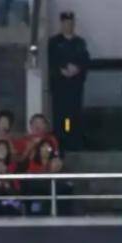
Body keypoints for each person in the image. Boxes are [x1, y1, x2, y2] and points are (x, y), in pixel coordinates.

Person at [48, 11, 90, 151]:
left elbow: (85, 60)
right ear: (61, 24)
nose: (68, 26)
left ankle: (74, 142)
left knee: (74, 115)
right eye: (66, 23)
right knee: (62, 116)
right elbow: (51, 61)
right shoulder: (54, 42)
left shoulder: (79, 43)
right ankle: (61, 141)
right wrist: (61, 70)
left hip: (75, 87)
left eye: (70, 23)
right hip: (60, 87)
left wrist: (77, 69)